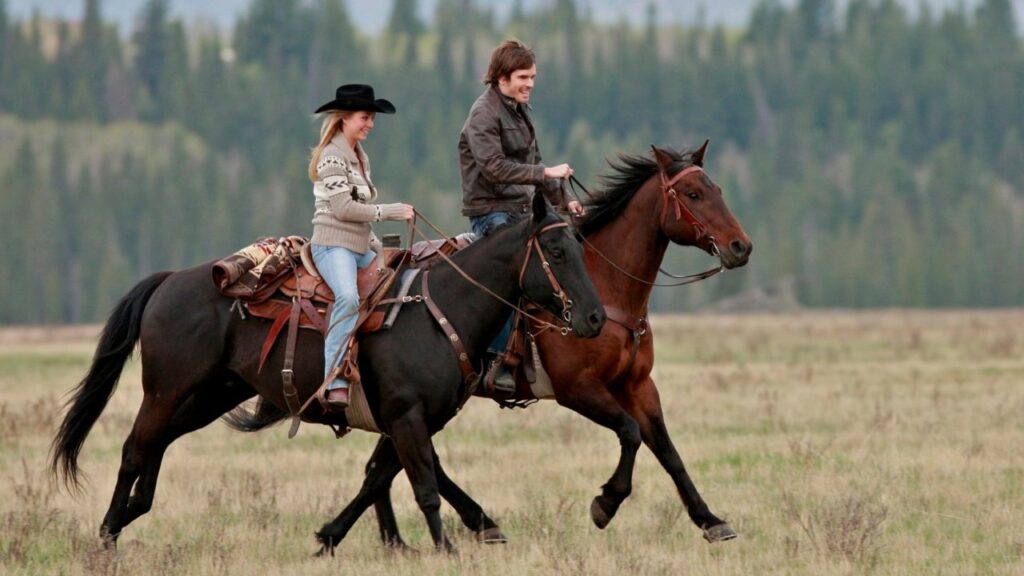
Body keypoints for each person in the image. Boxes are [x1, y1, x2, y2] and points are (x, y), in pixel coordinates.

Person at [458, 39, 585, 394]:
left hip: (521, 211)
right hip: (490, 214)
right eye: (522, 76)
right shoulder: (483, 114)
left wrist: (565, 201)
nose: (530, 83)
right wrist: (545, 174)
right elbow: (495, 168)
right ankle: (498, 362)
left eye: (532, 76)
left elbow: (535, 163)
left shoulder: (518, 111)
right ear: (501, 77)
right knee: (514, 280)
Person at [309, 84, 414, 409]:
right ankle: (334, 380)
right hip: (331, 245)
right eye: (365, 117)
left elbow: (359, 216)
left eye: (372, 119)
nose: (370, 124)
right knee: (348, 297)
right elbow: (343, 210)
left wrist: (377, 245)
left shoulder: (359, 157)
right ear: (344, 118)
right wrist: (391, 212)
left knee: (398, 285)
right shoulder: (331, 157)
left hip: (358, 245)